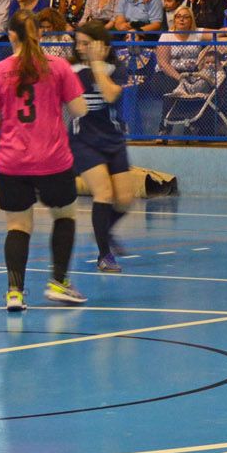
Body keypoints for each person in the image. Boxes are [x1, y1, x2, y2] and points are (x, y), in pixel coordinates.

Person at [0, 13, 89, 311]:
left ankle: (15, 292)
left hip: (12, 161)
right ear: (39, 36)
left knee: (18, 226)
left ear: (11, 36)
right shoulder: (58, 67)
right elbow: (79, 109)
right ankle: (59, 282)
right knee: (64, 216)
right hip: (53, 158)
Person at [69, 22, 137, 274]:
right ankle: (104, 255)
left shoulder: (115, 68)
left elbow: (110, 95)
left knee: (125, 200)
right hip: (83, 140)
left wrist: (97, 66)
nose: (80, 47)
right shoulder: (71, 69)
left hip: (113, 139)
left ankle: (105, 232)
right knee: (104, 193)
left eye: (87, 43)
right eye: (78, 42)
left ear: (103, 45)